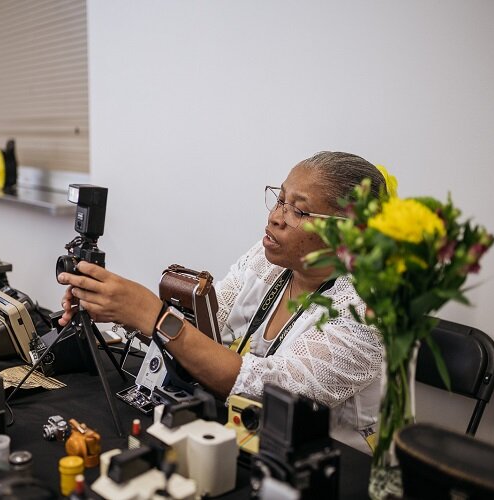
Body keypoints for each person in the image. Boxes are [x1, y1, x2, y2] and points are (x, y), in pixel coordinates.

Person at [57, 151, 386, 453]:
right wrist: (122, 310)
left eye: (298, 210)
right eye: (280, 199)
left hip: (334, 465)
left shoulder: (365, 313)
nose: (276, 217)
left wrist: (150, 315)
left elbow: (266, 389)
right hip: (247, 436)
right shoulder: (267, 259)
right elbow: (207, 329)